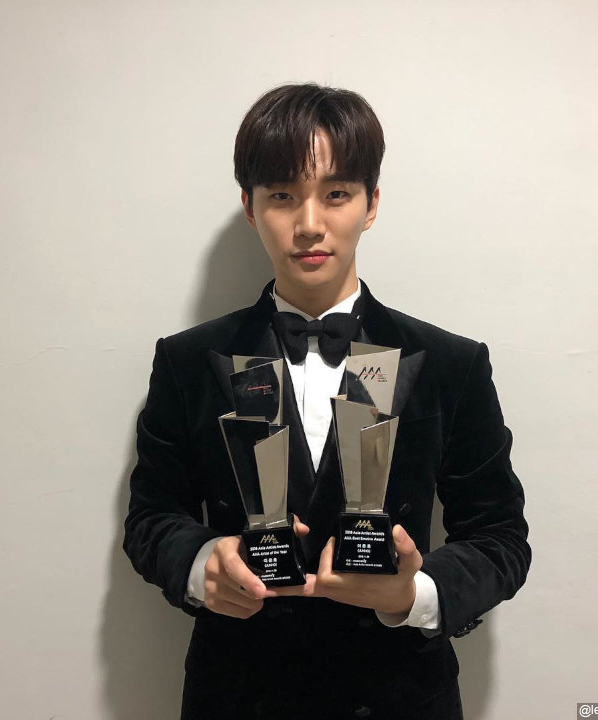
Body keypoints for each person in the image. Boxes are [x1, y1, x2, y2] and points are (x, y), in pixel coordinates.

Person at [123, 83, 530, 720]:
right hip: (239, 696)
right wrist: (203, 564)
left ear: (371, 204)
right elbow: (151, 518)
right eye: (283, 195)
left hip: (399, 696)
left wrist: (412, 595)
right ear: (250, 207)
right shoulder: (188, 360)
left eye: (336, 193)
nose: (309, 224)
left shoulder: (451, 363)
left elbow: (500, 537)